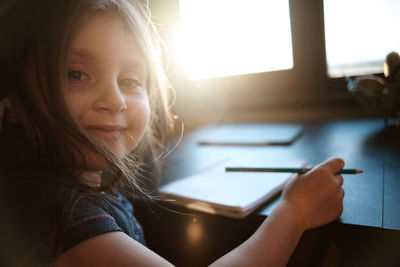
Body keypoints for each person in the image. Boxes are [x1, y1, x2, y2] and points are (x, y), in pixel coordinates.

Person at [0, 0, 345, 266]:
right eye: (76, 74)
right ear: (11, 98)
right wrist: (293, 212)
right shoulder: (54, 211)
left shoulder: (89, 185)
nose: (115, 100)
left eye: (130, 81)